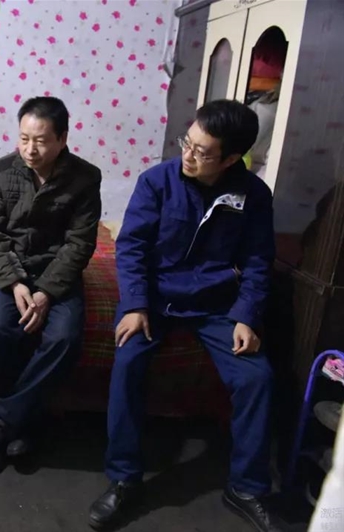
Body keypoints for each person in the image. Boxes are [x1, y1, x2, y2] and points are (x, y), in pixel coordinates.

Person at [88, 100, 278, 532]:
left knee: (258, 378)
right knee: (128, 362)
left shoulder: (253, 195)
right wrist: (135, 305)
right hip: (156, 298)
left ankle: (246, 487)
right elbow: (131, 248)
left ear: (230, 158)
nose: (187, 155)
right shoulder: (157, 181)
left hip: (217, 303)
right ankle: (124, 478)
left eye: (201, 151)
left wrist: (247, 315)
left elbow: (258, 260)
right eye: (186, 143)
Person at [0, 96, 102, 474]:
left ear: (63, 139)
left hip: (57, 274)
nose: (31, 149)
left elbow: (79, 244)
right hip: (12, 270)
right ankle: (25, 422)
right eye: (24, 139)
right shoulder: (1, 171)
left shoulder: (85, 178)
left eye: (41, 141)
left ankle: (4, 419)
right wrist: (15, 282)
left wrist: (46, 292)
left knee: (65, 337)